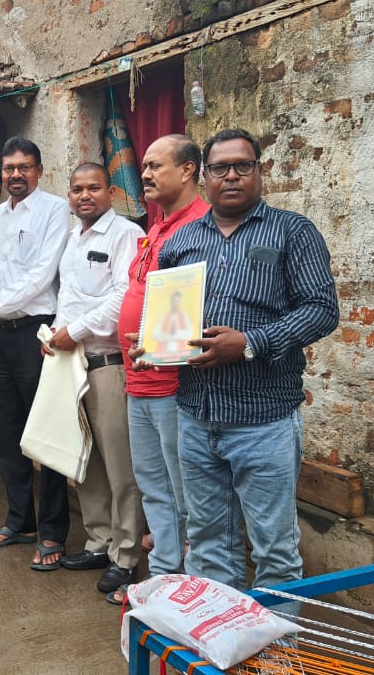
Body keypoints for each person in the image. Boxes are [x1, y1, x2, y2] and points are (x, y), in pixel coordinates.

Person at [131, 128, 338, 608]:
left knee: (274, 550)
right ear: (204, 176)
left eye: (242, 166)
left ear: (259, 171)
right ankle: (219, 638)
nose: (231, 176)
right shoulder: (182, 241)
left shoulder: (292, 232)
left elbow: (321, 310)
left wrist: (250, 343)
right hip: (195, 417)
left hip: (263, 419)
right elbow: (170, 315)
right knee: (208, 545)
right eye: (220, 167)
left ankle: (275, 648)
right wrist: (154, 344)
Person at [0, 137, 71, 570]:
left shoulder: (55, 210)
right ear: (0, 173)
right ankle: (20, 521)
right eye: (9, 168)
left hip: (35, 334)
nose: (16, 174)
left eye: (25, 167)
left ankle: (53, 531)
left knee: (46, 432)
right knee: (6, 433)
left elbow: (41, 277)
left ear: (39, 170)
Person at [114, 133, 210, 605]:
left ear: (188, 170)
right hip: (139, 381)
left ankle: (193, 587)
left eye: (155, 165)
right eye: (145, 166)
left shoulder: (202, 227)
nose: (145, 173)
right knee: (154, 488)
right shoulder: (156, 227)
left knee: (186, 492)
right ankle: (164, 578)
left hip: (175, 385)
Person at [46, 163, 144, 597]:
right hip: (72, 364)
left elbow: (124, 297)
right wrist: (54, 332)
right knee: (85, 460)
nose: (84, 196)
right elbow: (68, 297)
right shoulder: (72, 238)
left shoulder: (126, 235)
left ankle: (126, 555)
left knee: (121, 466)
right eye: (77, 189)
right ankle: (99, 542)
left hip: (108, 363)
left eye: (93, 188)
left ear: (111, 193)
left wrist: (77, 330)